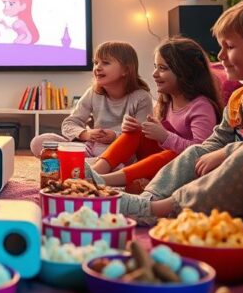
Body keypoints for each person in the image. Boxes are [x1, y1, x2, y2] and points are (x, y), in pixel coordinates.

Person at [106, 0, 243, 225]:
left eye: (230, 47)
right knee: (198, 151)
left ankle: (165, 208)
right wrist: (212, 152)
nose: (221, 56)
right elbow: (216, 140)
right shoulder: (238, 98)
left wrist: (226, 153)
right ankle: (148, 201)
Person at [88, 38, 221, 193]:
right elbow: (155, 141)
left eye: (162, 68)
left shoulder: (201, 107)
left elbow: (202, 152)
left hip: (185, 169)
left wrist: (165, 137)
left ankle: (104, 180)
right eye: (155, 67)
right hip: (160, 164)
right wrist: (141, 129)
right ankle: (95, 171)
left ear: (186, 72)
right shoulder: (166, 102)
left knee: (174, 154)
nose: (154, 74)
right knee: (135, 132)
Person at [30, 41, 153, 158]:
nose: (97, 67)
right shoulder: (93, 93)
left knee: (119, 157)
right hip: (90, 148)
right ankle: (88, 165)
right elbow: (69, 123)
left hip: (121, 152)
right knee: (39, 143)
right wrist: (86, 134)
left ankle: (84, 165)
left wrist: (115, 136)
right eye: (96, 62)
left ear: (125, 70)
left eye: (105, 63)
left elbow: (143, 137)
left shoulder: (142, 97)